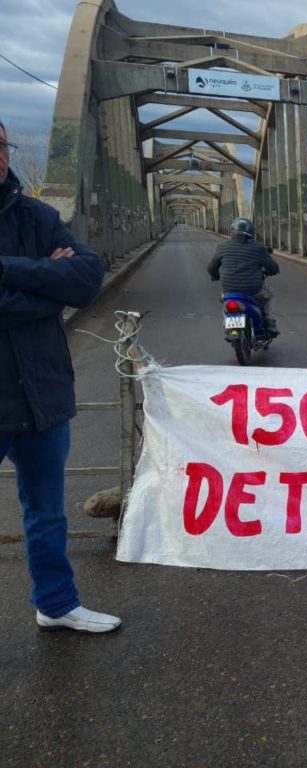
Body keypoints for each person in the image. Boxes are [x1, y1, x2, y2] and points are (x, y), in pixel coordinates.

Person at [0, 120, 121, 633]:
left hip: (43, 394)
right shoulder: (40, 227)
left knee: (47, 513)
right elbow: (61, 288)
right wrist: (46, 283)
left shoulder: (36, 214)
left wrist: (9, 270)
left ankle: (56, 603)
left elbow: (87, 279)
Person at [207, 217, 280, 336]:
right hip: (253, 290)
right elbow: (274, 268)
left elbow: (210, 268)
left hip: (229, 290)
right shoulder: (258, 247)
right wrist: (271, 271)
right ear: (251, 232)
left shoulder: (222, 246)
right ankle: (270, 322)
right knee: (269, 294)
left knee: (224, 299)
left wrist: (216, 276)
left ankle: (227, 322)